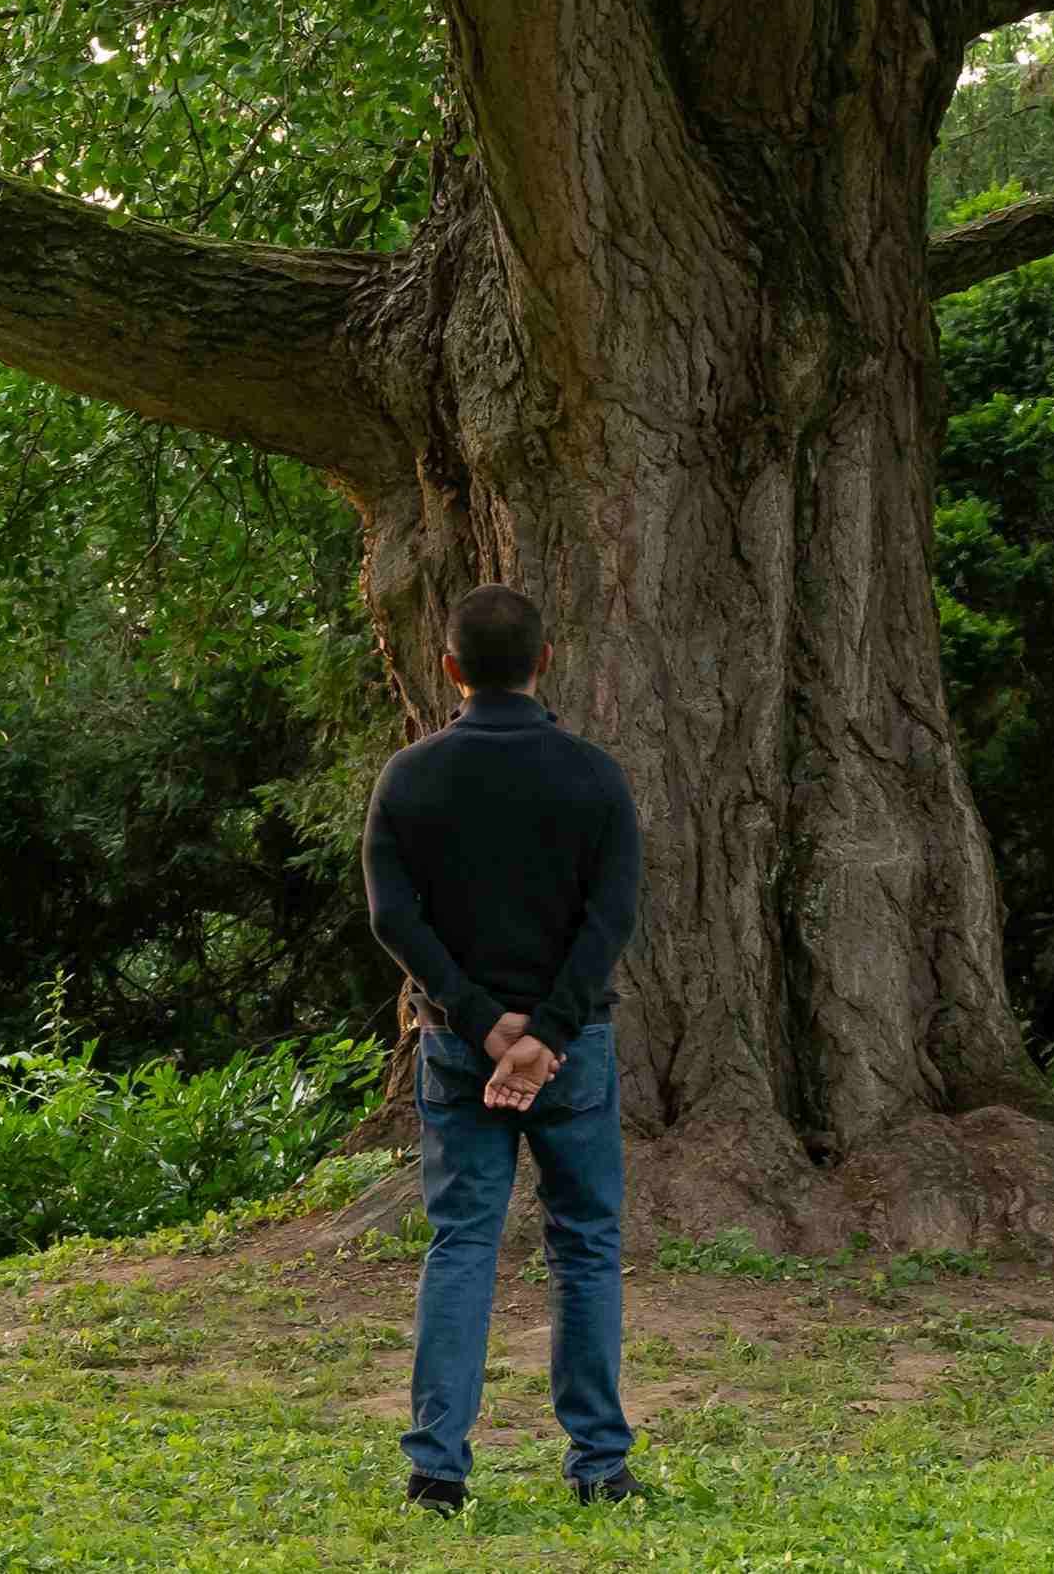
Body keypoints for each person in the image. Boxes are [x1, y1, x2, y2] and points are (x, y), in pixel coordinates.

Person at [362, 582, 652, 1514]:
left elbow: (393, 916)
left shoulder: (409, 777)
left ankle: (437, 1470)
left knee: (462, 1243)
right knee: (586, 1246)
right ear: (545, 660)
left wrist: (480, 1020)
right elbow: (611, 916)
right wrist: (548, 1032)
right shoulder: (594, 777)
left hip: (459, 1047)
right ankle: (600, 1465)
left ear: (450, 668)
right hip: (573, 1049)